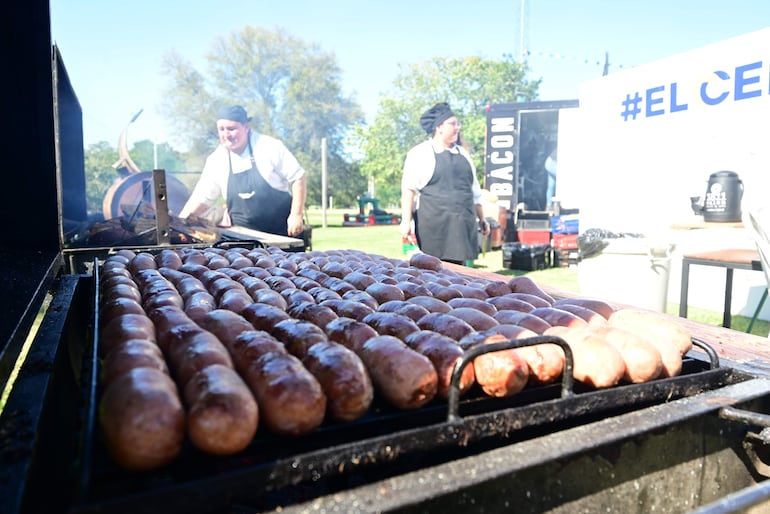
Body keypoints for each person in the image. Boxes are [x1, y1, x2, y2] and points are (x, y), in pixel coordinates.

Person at [179, 104, 307, 237]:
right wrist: (179, 223)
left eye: (231, 129)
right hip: (245, 239)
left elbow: (298, 177)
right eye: (221, 129)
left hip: (283, 233)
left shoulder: (269, 147)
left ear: (246, 127)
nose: (226, 135)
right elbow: (201, 198)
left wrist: (296, 214)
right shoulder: (216, 160)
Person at [400, 102, 490, 265]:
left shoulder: (463, 154)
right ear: (439, 127)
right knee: (431, 273)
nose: (457, 128)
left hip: (462, 224)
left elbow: (475, 192)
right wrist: (406, 221)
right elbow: (409, 190)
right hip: (434, 228)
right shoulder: (420, 153)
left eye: (458, 124)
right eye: (453, 124)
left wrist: (482, 219)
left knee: (458, 275)